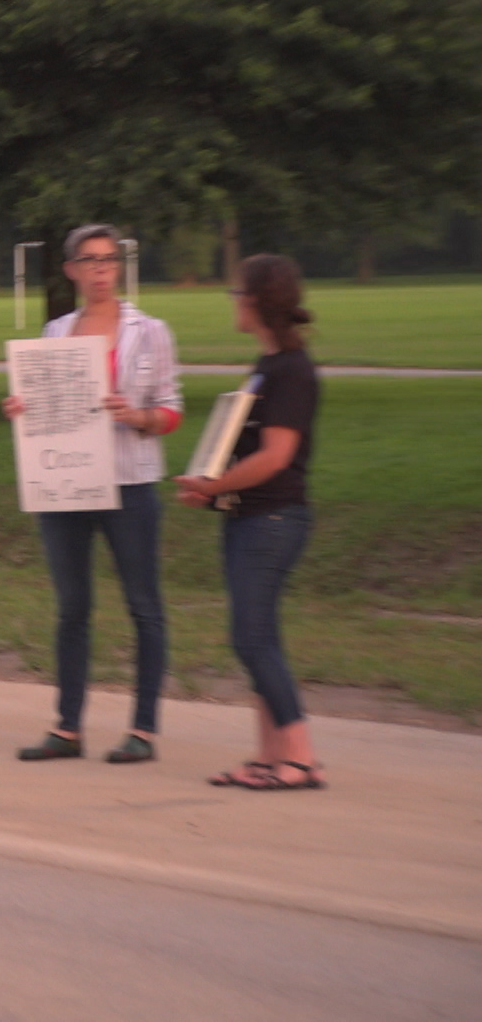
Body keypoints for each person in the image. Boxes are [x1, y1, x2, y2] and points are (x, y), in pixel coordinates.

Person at [6, 224, 183, 765]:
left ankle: (145, 729)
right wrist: (20, 409)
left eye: (110, 260)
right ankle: (67, 727)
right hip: (66, 483)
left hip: (130, 482)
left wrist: (138, 416)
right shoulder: (56, 331)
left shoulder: (150, 331)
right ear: (72, 270)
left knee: (143, 606)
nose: (102, 269)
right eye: (91, 260)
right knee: (72, 607)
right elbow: (42, 399)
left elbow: (172, 408)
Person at [177, 254, 326, 791]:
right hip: (251, 517)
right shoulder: (268, 365)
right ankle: (270, 756)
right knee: (258, 637)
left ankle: (301, 756)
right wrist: (211, 493)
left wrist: (214, 485)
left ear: (257, 300)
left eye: (236, 292)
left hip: (274, 520)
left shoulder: (290, 369)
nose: (232, 302)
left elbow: (275, 457)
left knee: (251, 637)